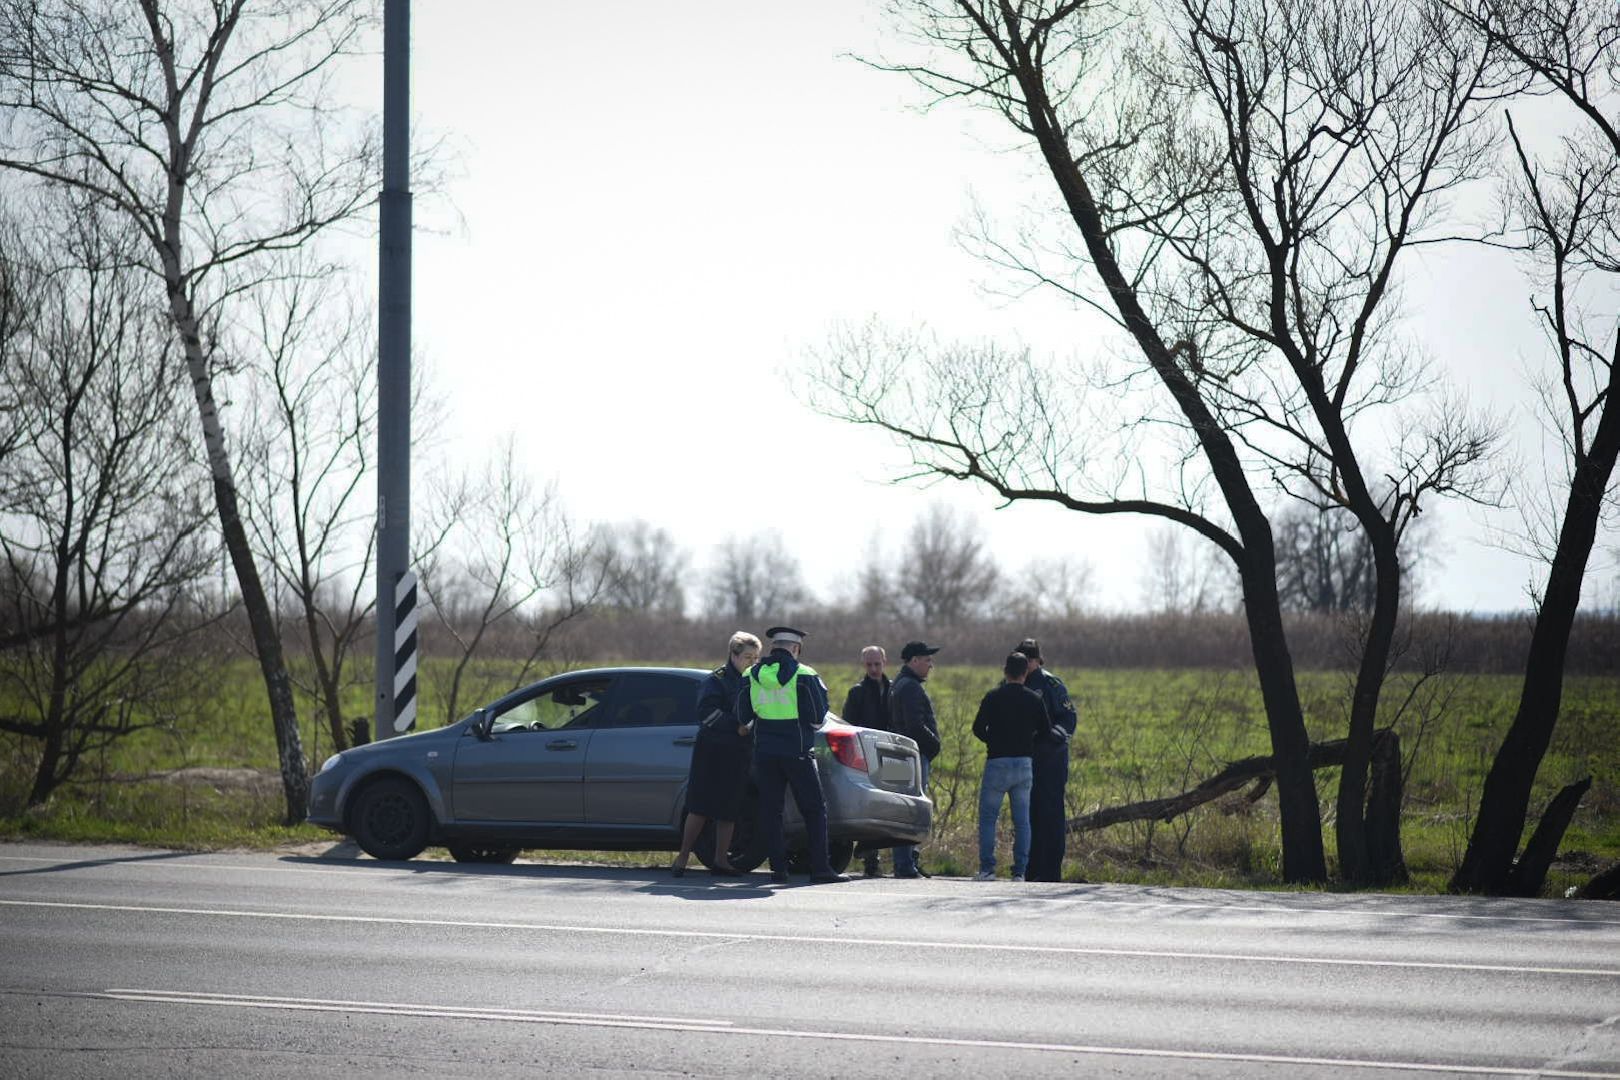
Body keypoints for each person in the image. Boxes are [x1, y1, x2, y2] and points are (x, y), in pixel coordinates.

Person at [738, 626, 849, 885]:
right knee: (814, 810)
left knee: (771, 810)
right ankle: (821, 868)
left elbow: (743, 717)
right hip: (798, 752)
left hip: (765, 753)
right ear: (796, 648)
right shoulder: (805, 674)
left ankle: (778, 869)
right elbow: (817, 719)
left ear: (773, 647)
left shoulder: (751, 675)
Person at [671, 630, 761, 877]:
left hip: (739, 753)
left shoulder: (755, 681)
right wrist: (736, 726)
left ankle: (721, 861)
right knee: (700, 807)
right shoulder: (716, 680)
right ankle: (682, 858)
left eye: (755, 658)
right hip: (712, 752)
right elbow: (707, 714)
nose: (752, 663)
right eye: (747, 657)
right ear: (733, 655)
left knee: (729, 808)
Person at [971, 652, 1049, 881]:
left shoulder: (993, 697)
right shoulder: (1034, 699)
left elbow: (977, 728)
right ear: (1026, 673)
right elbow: (1045, 730)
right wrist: (1027, 741)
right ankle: (1019, 871)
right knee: (1022, 821)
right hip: (1024, 764)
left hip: (997, 762)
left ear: (1005, 671)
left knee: (988, 818)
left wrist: (993, 741)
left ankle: (987, 869)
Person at [1018, 637, 1079, 882]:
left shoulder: (1052, 684)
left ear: (1036, 660)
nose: (1026, 664)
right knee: (1028, 815)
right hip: (1024, 760)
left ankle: (1051, 871)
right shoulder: (1013, 681)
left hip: (1050, 761)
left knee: (1051, 815)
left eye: (1029, 659)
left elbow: (1069, 718)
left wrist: (1050, 738)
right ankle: (1030, 869)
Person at [888, 640, 942, 878]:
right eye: (927, 660)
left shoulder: (900, 683)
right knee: (910, 810)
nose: (931, 665)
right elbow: (915, 725)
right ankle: (905, 865)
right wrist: (934, 745)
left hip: (900, 754)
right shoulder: (910, 687)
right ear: (914, 661)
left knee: (903, 808)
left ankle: (906, 863)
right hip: (912, 756)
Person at [842, 645, 893, 878]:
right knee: (871, 805)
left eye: (877, 664)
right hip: (867, 755)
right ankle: (870, 860)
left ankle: (894, 858)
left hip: (892, 755)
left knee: (889, 808)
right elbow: (849, 726)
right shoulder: (858, 692)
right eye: (869, 664)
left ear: (884, 662)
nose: (873, 669)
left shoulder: (894, 690)